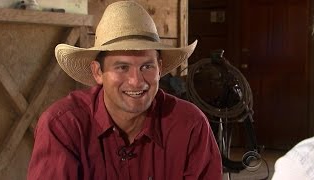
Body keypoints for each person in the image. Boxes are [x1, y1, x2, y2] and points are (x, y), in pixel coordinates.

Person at [27, 1, 222, 179]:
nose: (136, 81)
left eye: (147, 67)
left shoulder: (190, 126)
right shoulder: (63, 126)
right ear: (97, 72)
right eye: (122, 67)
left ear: (160, 69)